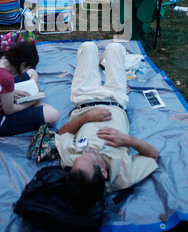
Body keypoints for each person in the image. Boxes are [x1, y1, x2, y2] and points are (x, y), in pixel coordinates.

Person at [54, 42, 159, 206]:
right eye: (88, 157)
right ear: (103, 172)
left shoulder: (71, 162)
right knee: (115, 48)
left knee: (88, 46)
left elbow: (62, 133)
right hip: (116, 99)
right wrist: (127, 140)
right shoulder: (123, 174)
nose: (85, 152)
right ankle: (106, 66)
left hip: (85, 98)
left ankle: (101, 63)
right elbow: (154, 155)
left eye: (80, 156)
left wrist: (86, 118)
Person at [0, 42, 59, 137]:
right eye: (27, 67)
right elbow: (9, 110)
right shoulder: (5, 79)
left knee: (32, 73)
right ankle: (35, 104)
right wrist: (32, 101)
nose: (27, 70)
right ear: (23, 64)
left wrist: (12, 91)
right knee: (53, 114)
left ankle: (32, 97)